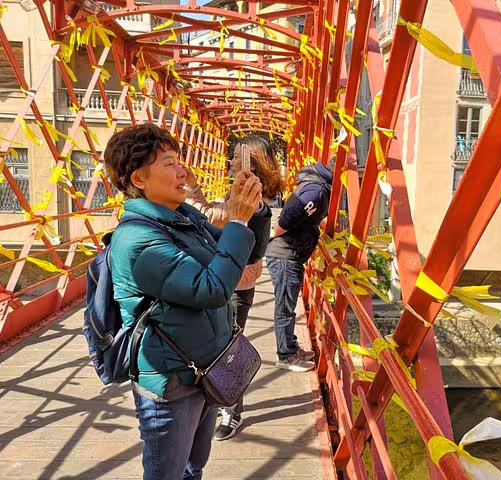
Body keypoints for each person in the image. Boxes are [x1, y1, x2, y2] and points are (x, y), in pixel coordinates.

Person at [105, 123, 262, 480]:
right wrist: (238, 218)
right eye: (170, 163)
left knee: (195, 466)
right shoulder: (137, 240)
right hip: (172, 382)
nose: (183, 171)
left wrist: (251, 209)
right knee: (167, 473)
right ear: (139, 180)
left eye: (180, 161)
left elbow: (233, 250)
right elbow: (212, 288)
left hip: (206, 369)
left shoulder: (182, 217)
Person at [183, 135, 285, 441]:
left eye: (237, 160)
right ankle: (219, 403)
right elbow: (218, 217)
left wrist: (188, 190)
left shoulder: (255, 203)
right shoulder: (244, 195)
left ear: (253, 165)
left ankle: (230, 409)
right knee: (220, 346)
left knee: (227, 351)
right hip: (228, 280)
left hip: (235, 286)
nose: (228, 164)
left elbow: (209, 218)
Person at [265, 160, 334, 372]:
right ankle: (285, 356)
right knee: (285, 307)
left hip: (290, 254)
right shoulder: (317, 191)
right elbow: (290, 216)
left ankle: (291, 347)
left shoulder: (316, 186)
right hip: (286, 255)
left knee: (288, 304)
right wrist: (273, 234)